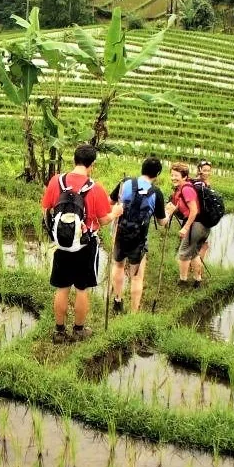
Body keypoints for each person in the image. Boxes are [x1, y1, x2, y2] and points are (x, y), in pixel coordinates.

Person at [42, 144, 123, 343]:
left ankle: (59, 331)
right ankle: (78, 330)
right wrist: (116, 212)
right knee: (81, 289)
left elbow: (45, 209)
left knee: (61, 288)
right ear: (92, 165)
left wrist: (55, 232)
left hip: (62, 244)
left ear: (73, 160)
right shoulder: (95, 188)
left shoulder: (56, 181)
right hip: (86, 245)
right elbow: (103, 220)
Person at [108, 157, 168, 313]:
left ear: (142, 168)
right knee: (137, 276)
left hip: (119, 233)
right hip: (139, 239)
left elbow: (110, 201)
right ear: (158, 173)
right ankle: (134, 312)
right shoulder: (156, 193)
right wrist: (170, 211)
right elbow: (161, 222)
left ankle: (118, 300)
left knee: (119, 265)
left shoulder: (125, 182)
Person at [165, 162, 207, 288]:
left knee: (183, 254)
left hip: (195, 225)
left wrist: (185, 228)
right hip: (201, 225)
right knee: (193, 253)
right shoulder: (184, 188)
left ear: (184, 176)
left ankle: (182, 282)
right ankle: (197, 281)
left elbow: (193, 211)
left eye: (176, 175)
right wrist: (173, 209)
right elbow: (183, 206)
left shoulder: (187, 189)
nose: (173, 178)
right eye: (172, 175)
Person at [193, 159, 212, 262]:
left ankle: (196, 265)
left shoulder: (204, 183)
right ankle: (197, 266)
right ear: (200, 170)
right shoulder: (199, 184)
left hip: (202, 217)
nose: (207, 173)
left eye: (209, 171)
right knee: (201, 244)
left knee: (203, 244)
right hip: (199, 218)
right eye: (205, 170)